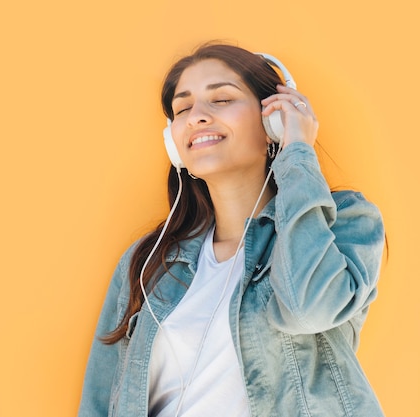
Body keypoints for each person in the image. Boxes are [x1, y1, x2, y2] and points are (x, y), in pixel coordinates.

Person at [78, 42, 385, 417]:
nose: (197, 116)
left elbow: (309, 310)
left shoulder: (344, 221)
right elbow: (99, 399)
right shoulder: (150, 262)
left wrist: (297, 152)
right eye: (182, 108)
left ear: (273, 119)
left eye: (221, 99)